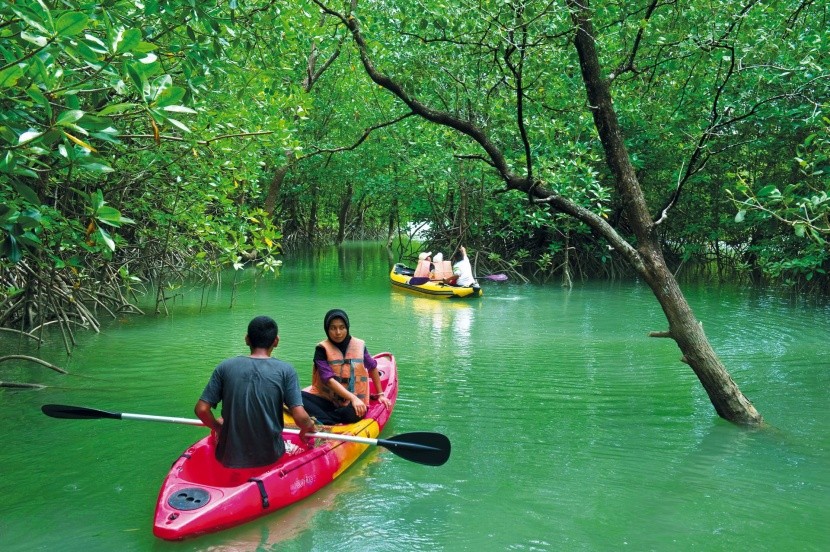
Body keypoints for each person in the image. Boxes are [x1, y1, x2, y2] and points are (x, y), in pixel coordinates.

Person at [195, 315, 316, 469]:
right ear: (276, 341)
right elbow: (300, 416)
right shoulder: (286, 370)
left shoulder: (225, 367)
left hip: (227, 456)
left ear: (247, 339)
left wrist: (219, 428)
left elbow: (201, 409)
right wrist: (309, 425)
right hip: (270, 456)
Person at [302, 309, 392, 425]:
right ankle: (328, 418)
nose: (338, 332)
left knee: (353, 413)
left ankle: (323, 418)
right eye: (333, 328)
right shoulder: (321, 349)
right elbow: (328, 380)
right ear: (327, 329)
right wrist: (353, 398)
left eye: (342, 327)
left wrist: (380, 394)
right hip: (327, 400)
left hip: (352, 404)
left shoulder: (359, 345)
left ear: (347, 327)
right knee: (294, 396)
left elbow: (372, 367)